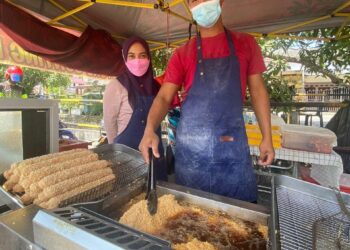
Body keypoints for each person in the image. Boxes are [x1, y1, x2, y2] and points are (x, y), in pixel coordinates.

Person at [139, 0, 275, 202]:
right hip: (191, 154)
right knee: (191, 217)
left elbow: (258, 91)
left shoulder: (246, 43)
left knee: (241, 221)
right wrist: (150, 129)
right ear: (189, 6)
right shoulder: (182, 53)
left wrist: (267, 137)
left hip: (232, 149)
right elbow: (164, 96)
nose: (201, 2)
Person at [103, 36, 167, 180]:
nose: (137, 61)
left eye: (142, 56)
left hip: (154, 154)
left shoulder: (157, 88)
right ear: (125, 58)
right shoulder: (116, 85)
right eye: (131, 56)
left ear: (149, 58)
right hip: (126, 157)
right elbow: (109, 123)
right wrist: (115, 152)